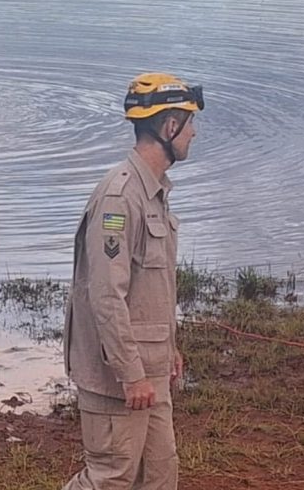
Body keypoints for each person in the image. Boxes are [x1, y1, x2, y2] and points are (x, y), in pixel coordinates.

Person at [63, 73, 203, 490]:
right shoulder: (120, 198)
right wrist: (131, 374)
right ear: (170, 127)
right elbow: (106, 295)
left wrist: (167, 349)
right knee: (110, 478)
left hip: (149, 370)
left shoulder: (152, 192)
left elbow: (149, 291)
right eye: (190, 123)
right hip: (119, 379)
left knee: (159, 473)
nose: (194, 133)